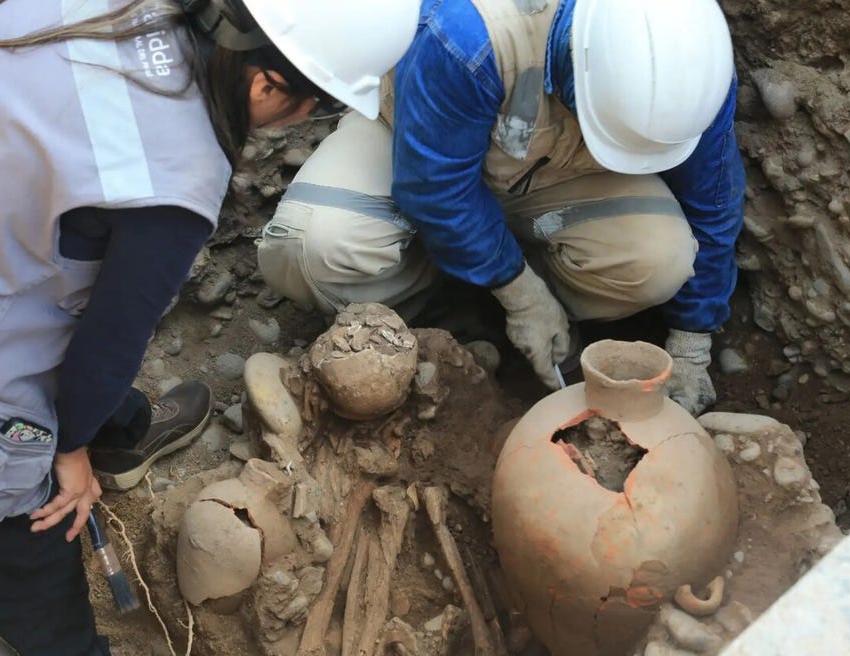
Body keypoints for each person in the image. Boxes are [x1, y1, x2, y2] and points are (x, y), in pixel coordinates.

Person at [0, 0, 417, 656]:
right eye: (314, 104)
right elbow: (106, 345)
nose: (305, 120)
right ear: (267, 83)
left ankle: (118, 434)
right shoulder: (174, 179)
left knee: (87, 369)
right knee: (43, 581)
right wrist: (66, 453)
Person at [257, 0, 747, 416]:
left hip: (555, 171)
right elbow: (435, 187)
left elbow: (712, 201)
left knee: (661, 262)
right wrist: (520, 296)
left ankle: (517, 306)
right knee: (312, 246)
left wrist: (692, 341)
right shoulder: (466, 36)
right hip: (416, 137)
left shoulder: (689, 60)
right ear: (580, 71)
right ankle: (440, 326)